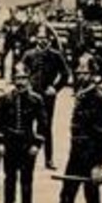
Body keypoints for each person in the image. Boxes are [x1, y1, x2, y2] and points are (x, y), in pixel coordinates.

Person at [31, 54, 102, 203]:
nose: (80, 75)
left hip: (91, 158)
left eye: (85, 72)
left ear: (94, 75)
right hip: (75, 157)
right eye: (79, 72)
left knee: (92, 201)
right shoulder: (80, 95)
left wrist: (98, 163)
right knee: (66, 197)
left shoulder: (100, 99)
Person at [0, 63, 47, 203]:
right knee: (9, 178)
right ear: (13, 80)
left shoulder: (36, 100)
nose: (21, 82)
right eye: (17, 78)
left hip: (27, 144)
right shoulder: (5, 99)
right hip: (9, 143)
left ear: (28, 80)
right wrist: (0, 143)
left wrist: (36, 145)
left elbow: (43, 124)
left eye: (23, 78)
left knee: (27, 179)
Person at [22, 25, 68, 169]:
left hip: (47, 97)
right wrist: (26, 86)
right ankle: (26, 156)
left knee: (46, 127)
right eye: (40, 38)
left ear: (50, 39)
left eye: (45, 38)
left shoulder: (56, 55)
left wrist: (55, 87)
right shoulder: (28, 54)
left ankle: (49, 159)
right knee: (27, 125)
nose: (42, 41)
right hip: (30, 95)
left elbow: (66, 74)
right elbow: (19, 71)